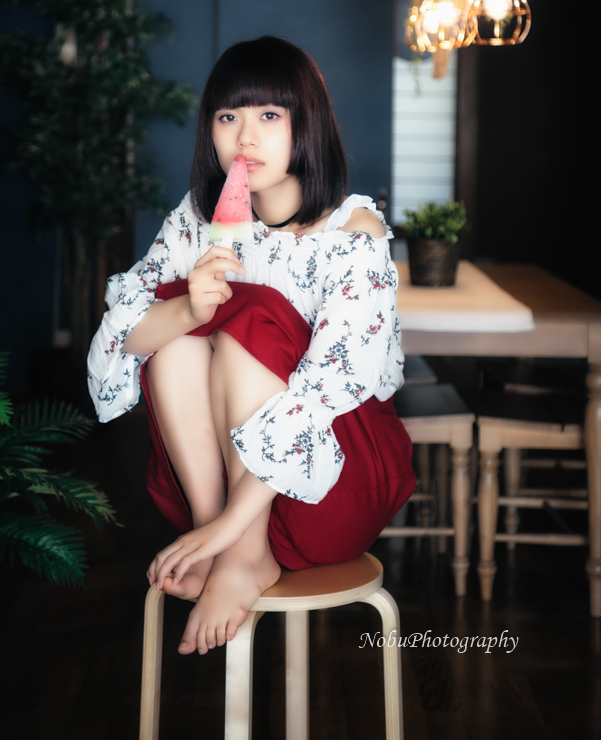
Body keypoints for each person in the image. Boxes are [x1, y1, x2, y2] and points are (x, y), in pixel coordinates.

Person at [87, 36, 415, 657]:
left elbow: (330, 388)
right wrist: (188, 309)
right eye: (227, 116)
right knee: (178, 335)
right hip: (217, 494)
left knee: (252, 312)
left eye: (269, 115)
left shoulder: (353, 231)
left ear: (306, 124)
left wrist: (235, 529)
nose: (245, 137)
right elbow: (120, 337)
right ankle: (222, 542)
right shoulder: (197, 221)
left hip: (334, 485)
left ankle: (241, 552)